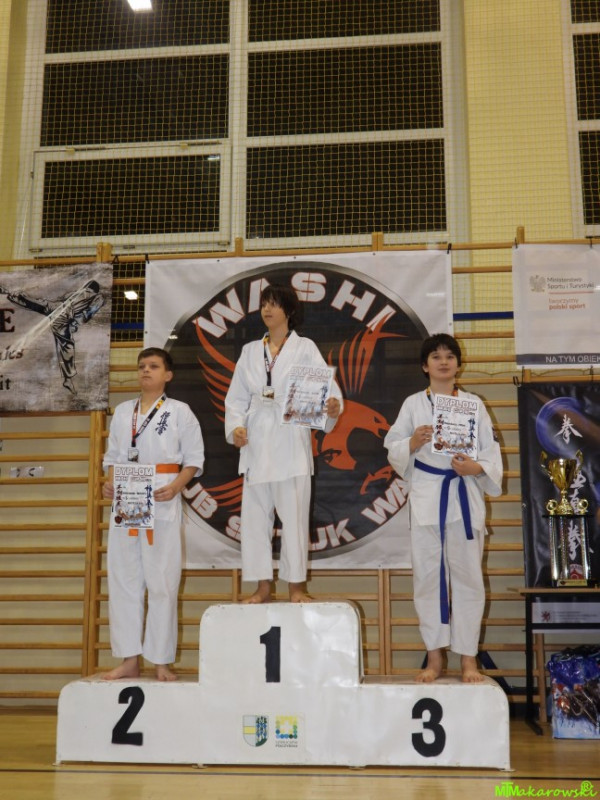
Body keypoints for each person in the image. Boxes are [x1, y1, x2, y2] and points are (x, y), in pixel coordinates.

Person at [384, 333, 502, 683]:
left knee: (469, 579)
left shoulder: (473, 404)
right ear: (425, 366)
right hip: (427, 496)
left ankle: (468, 660)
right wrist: (411, 442)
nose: (444, 362)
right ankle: (434, 658)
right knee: (427, 579)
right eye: (436, 356)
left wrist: (476, 468)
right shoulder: (412, 405)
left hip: (463, 494)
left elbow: (489, 452)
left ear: (458, 364)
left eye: (450, 356)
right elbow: (392, 447)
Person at [225, 284, 343, 604]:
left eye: (274, 304)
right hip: (257, 442)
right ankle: (262, 588)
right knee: (255, 521)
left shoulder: (305, 347)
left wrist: (332, 407)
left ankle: (296, 588)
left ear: (289, 311)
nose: (267, 309)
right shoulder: (250, 350)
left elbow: (326, 391)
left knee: (294, 520)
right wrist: (236, 427)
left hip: (291, 443)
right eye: (264, 303)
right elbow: (235, 399)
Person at [102, 347, 205, 681]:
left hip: (161, 496)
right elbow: (112, 458)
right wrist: (110, 483)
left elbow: (194, 460)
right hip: (127, 498)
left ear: (168, 375)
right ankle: (129, 659)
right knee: (124, 580)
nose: (145, 370)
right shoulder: (122, 412)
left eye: (154, 366)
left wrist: (175, 487)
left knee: (162, 581)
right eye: (142, 366)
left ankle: (161, 661)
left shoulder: (180, 412)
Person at [0, 280, 105, 393]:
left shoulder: (79, 293)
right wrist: (75, 323)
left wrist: (74, 321)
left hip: (55, 306)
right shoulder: (97, 296)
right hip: (64, 315)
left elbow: (73, 304)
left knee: (35, 303)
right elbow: (89, 312)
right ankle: (67, 379)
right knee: (66, 346)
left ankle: (11, 294)